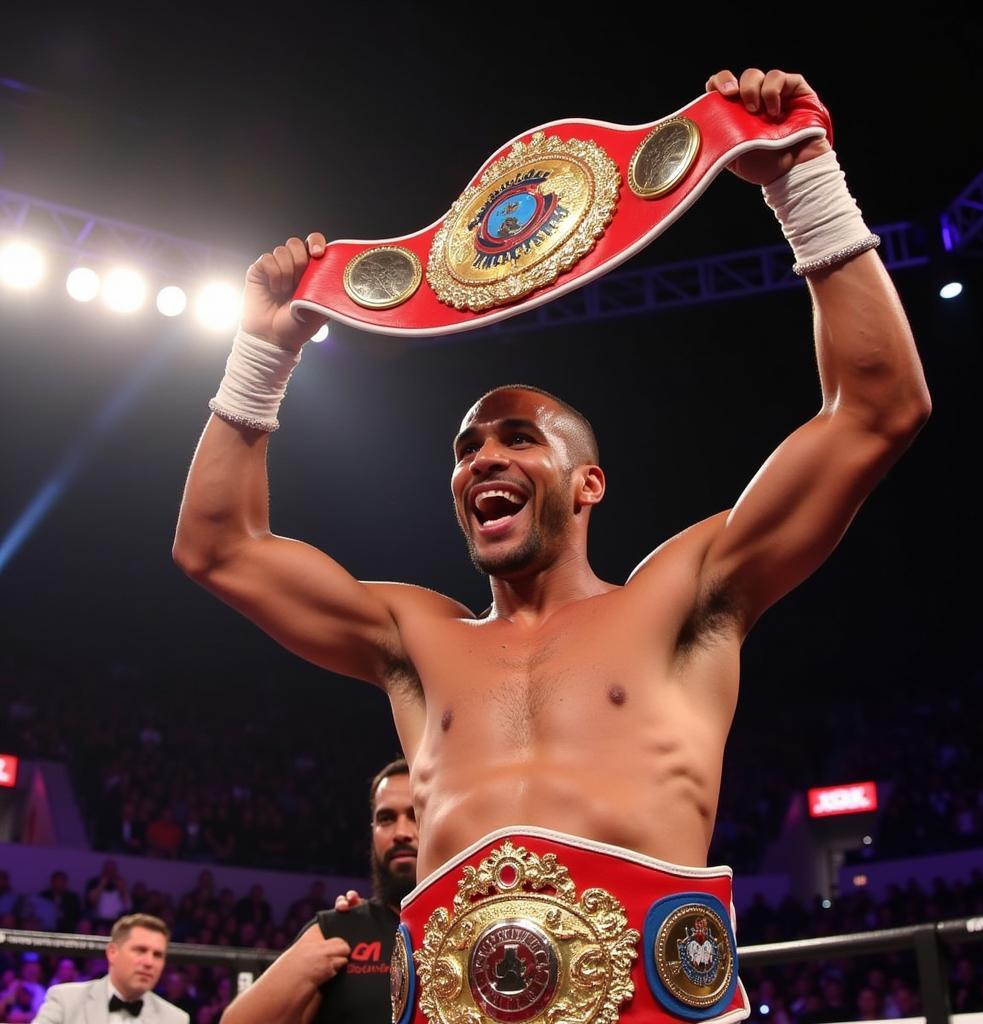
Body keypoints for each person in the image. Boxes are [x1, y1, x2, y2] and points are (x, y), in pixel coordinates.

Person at [173, 68, 930, 1022]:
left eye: (517, 438)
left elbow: (874, 411)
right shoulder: (414, 637)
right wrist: (262, 351)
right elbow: (218, 548)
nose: (482, 457)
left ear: (588, 484)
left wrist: (804, 181)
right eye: (466, 449)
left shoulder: (684, 594)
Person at [221, 759, 417, 1024]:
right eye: (386, 819)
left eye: (415, 815)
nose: (401, 833)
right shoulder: (340, 930)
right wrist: (299, 969)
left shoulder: (478, 923)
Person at [32, 913, 187, 1024]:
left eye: (158, 955)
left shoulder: (175, 1019)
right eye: (140, 950)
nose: (149, 962)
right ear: (113, 952)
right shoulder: (66, 999)